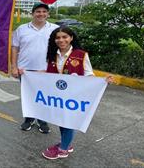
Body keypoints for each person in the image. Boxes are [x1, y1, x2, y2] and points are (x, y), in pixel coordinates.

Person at [41, 26, 113, 159]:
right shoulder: (52, 54)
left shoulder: (81, 55)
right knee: (61, 121)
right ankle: (66, 143)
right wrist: (26, 73)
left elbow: (89, 74)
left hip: (74, 97)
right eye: (58, 37)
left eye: (64, 37)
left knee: (69, 122)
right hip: (57, 97)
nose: (61, 40)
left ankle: (63, 150)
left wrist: (102, 81)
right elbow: (46, 74)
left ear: (71, 38)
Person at [11, 3, 59, 133]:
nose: (41, 14)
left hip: (46, 70)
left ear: (48, 14)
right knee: (28, 97)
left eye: (44, 11)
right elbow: (15, 48)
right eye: (38, 11)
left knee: (44, 97)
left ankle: (43, 121)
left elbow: (61, 49)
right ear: (33, 13)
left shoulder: (55, 29)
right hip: (25, 71)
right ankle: (29, 119)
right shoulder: (22, 29)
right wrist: (14, 67)